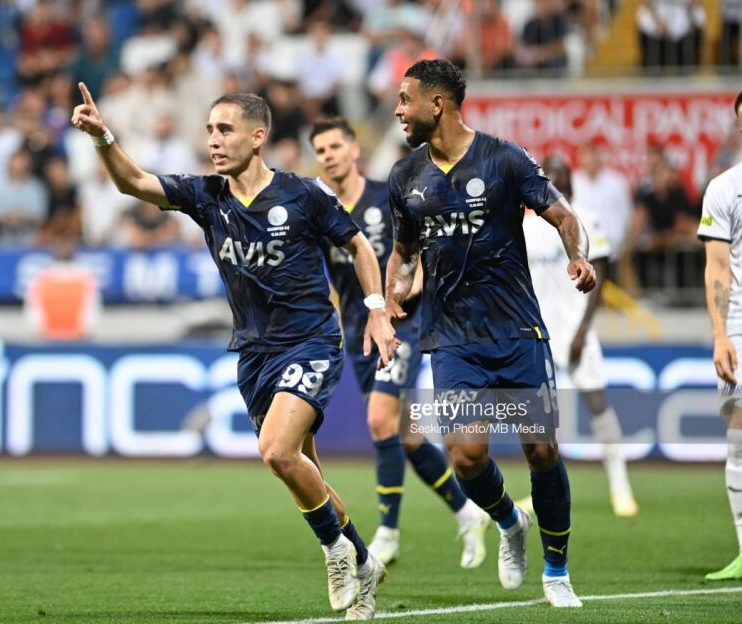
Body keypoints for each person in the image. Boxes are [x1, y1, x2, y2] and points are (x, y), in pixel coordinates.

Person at [71, 83, 396, 619]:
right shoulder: (207, 196)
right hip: (254, 355)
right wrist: (103, 136)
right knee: (299, 470)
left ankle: (335, 550)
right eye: (209, 131)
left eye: (225, 130)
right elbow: (133, 182)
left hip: (311, 341)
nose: (214, 141)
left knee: (276, 452)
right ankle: (363, 561)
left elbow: (358, 245)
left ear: (258, 136)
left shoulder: (303, 194)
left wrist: (377, 308)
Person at [385, 59, 595, 608]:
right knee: (466, 457)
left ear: (437, 104)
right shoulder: (405, 177)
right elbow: (403, 253)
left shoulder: (504, 159)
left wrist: (578, 258)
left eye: (405, 99)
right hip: (451, 338)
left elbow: (564, 216)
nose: (398, 110)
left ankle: (557, 572)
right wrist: (389, 304)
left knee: (542, 450)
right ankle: (508, 520)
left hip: (516, 330)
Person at [309, 116, 489, 568]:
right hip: (359, 333)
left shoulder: (385, 196)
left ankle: (387, 531)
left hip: (401, 322)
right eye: (321, 150)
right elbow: (330, 278)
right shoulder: (322, 208)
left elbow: (417, 252)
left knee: (378, 421)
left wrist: (399, 298)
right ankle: (468, 513)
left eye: (335, 146)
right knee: (405, 436)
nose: (329, 156)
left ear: (354, 150)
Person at [523, 155, 638, 517]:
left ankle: (620, 486)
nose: (553, 182)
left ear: (570, 181)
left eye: (559, 176)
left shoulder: (586, 218)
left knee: (597, 403)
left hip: (576, 331)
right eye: (548, 177)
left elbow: (600, 275)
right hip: (540, 334)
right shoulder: (527, 227)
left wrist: (582, 331)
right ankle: (542, 491)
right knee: (539, 420)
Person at [697, 89, 742, 582]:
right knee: (739, 437)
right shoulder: (725, 188)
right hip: (740, 326)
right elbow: (717, 266)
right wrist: (720, 335)